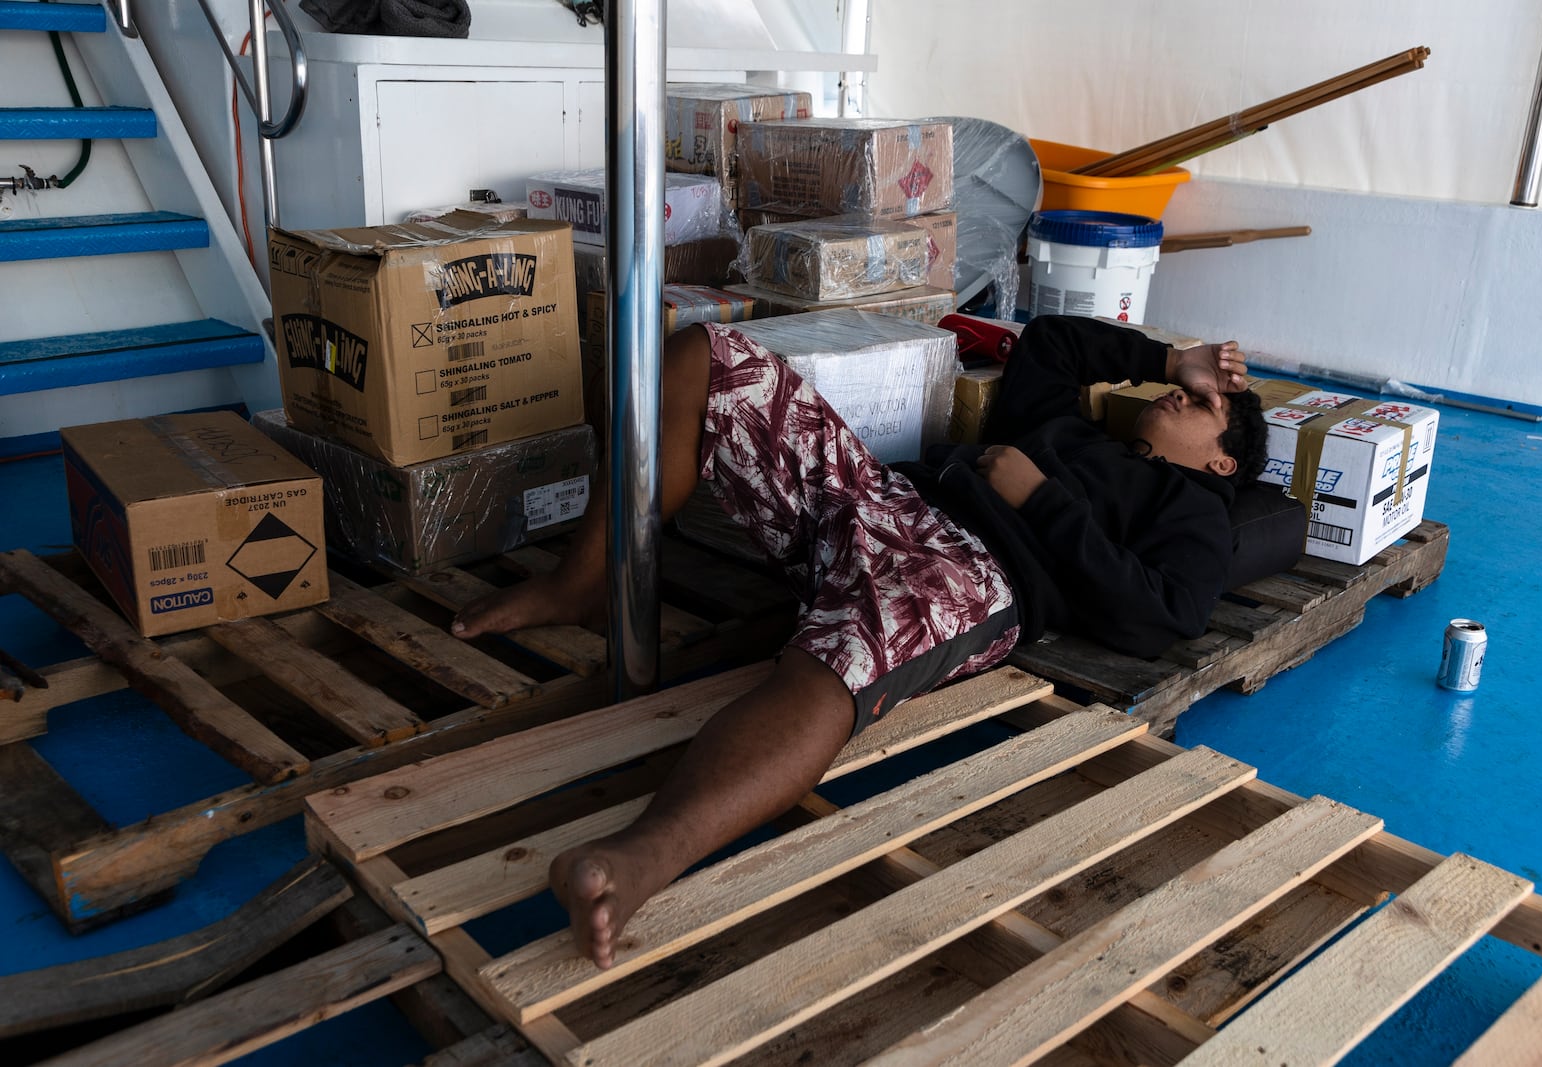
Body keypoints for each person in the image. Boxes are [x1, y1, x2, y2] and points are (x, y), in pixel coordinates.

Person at [450, 314, 1268, 969]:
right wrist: (1172, 356)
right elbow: (1051, 343)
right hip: (882, 497)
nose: (1180, 399)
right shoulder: (1077, 431)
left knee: (834, 668)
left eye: (1202, 407)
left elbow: (1165, 612)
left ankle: (636, 861)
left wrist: (1041, 498)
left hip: (967, 573)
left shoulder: (1194, 510)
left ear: (1225, 463)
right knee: (708, 356)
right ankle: (579, 581)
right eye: (1184, 390)